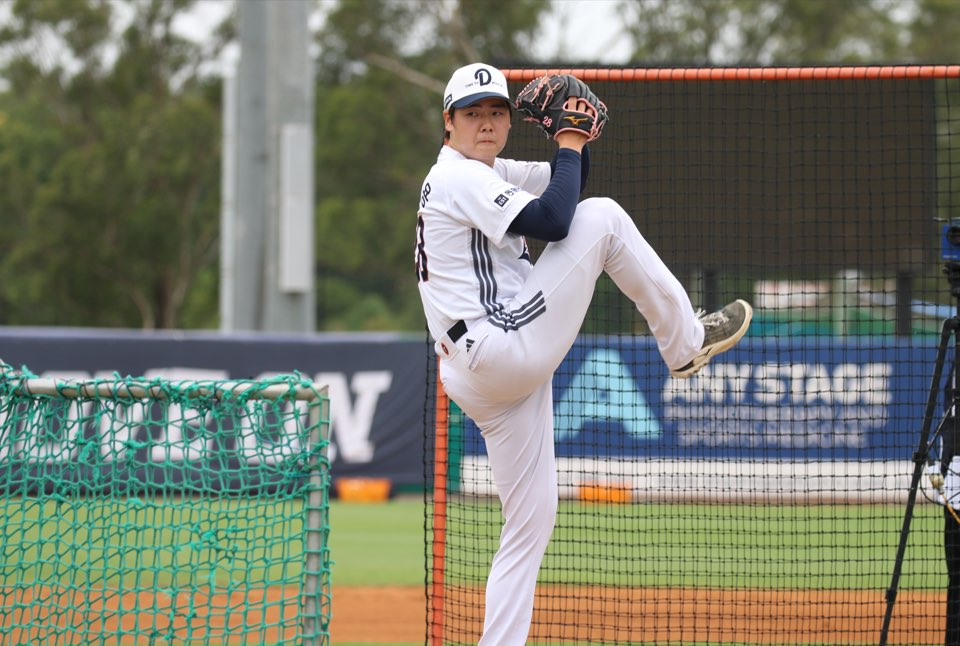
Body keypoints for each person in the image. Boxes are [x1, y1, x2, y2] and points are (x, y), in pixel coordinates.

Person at [415, 62, 753, 645]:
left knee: (529, 525)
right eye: (473, 113)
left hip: (479, 371)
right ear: (449, 124)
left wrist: (572, 140)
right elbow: (557, 216)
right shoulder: (457, 177)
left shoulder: (488, 170)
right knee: (604, 218)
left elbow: (564, 179)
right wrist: (571, 137)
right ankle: (686, 344)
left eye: (497, 110)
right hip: (498, 346)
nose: (487, 122)